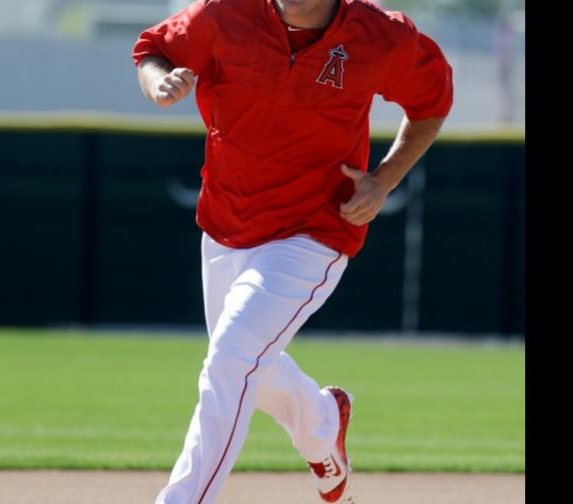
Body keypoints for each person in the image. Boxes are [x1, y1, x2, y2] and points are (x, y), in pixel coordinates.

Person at [132, 1, 452, 502]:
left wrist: (384, 181)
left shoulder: (378, 34)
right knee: (246, 364)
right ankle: (323, 422)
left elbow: (432, 100)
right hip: (225, 224)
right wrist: (158, 83)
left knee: (232, 358)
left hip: (316, 229)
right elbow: (153, 50)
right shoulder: (225, 13)